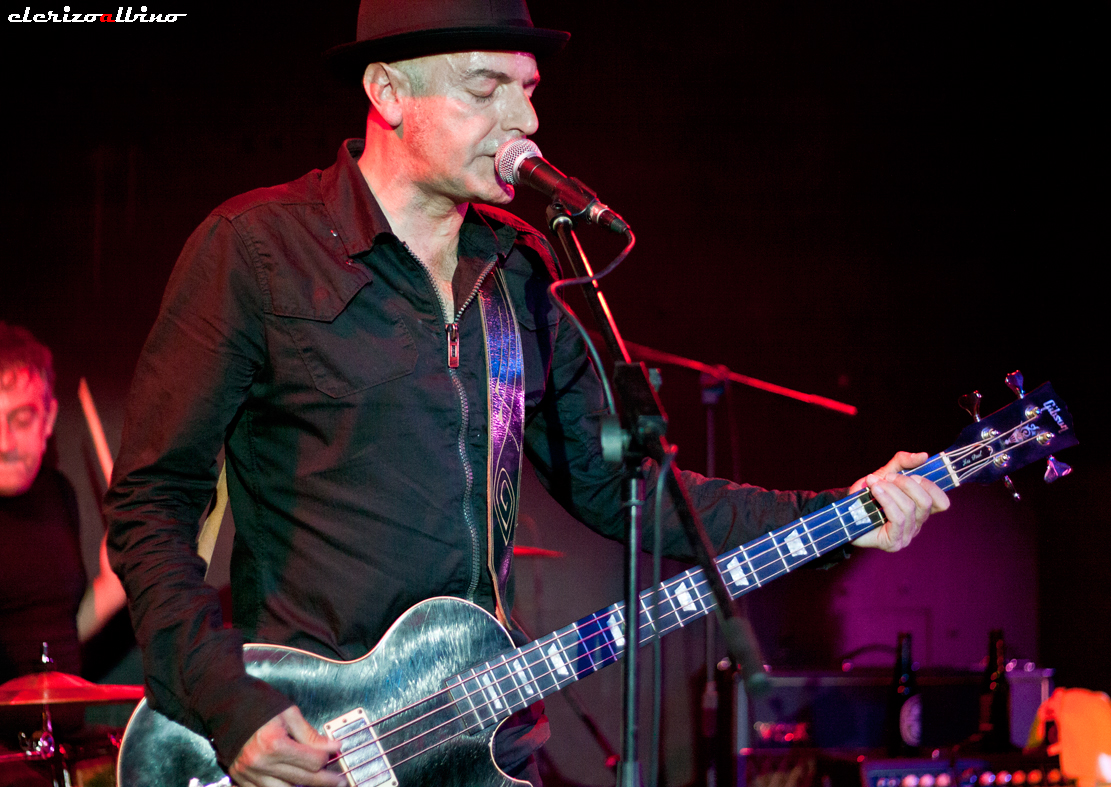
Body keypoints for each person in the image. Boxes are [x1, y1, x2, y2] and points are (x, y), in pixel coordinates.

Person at [103, 2, 950, 786]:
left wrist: (841, 514)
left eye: (528, 89)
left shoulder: (519, 270)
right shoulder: (255, 249)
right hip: (314, 742)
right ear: (388, 92)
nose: (526, 121)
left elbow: (627, 488)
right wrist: (231, 705)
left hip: (486, 737)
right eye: (486, 89)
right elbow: (151, 504)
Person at [0, 323, 126, 771]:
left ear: (49, 418)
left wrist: (111, 586)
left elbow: (57, 635)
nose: (5, 443)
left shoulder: (58, 493)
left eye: (21, 419)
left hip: (60, 750)